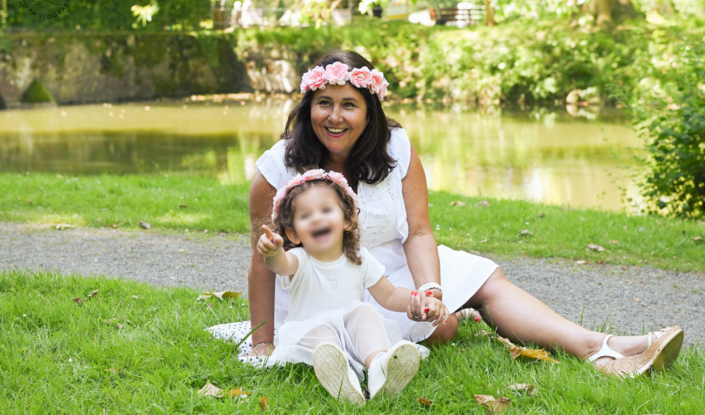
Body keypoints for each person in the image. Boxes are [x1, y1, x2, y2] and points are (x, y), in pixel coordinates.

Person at [209, 50, 683, 378]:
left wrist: (431, 289)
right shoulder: (279, 165)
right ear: (308, 106)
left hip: (388, 268)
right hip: (322, 288)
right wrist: (264, 343)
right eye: (324, 103)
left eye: (349, 105)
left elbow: (417, 232)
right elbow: (261, 261)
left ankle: (602, 347)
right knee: (447, 327)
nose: (334, 117)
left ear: (369, 110)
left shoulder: (395, 147)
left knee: (486, 279)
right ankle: (599, 351)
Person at [253, 169, 450, 405]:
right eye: (305, 216)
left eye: (326, 210)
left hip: (351, 335)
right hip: (311, 335)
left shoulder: (359, 258)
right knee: (322, 336)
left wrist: (421, 299)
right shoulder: (299, 259)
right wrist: (273, 251)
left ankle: (379, 366)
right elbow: (280, 265)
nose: (317, 219)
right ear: (293, 234)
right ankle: (340, 375)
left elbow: (390, 295)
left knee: (365, 313)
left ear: (346, 220)